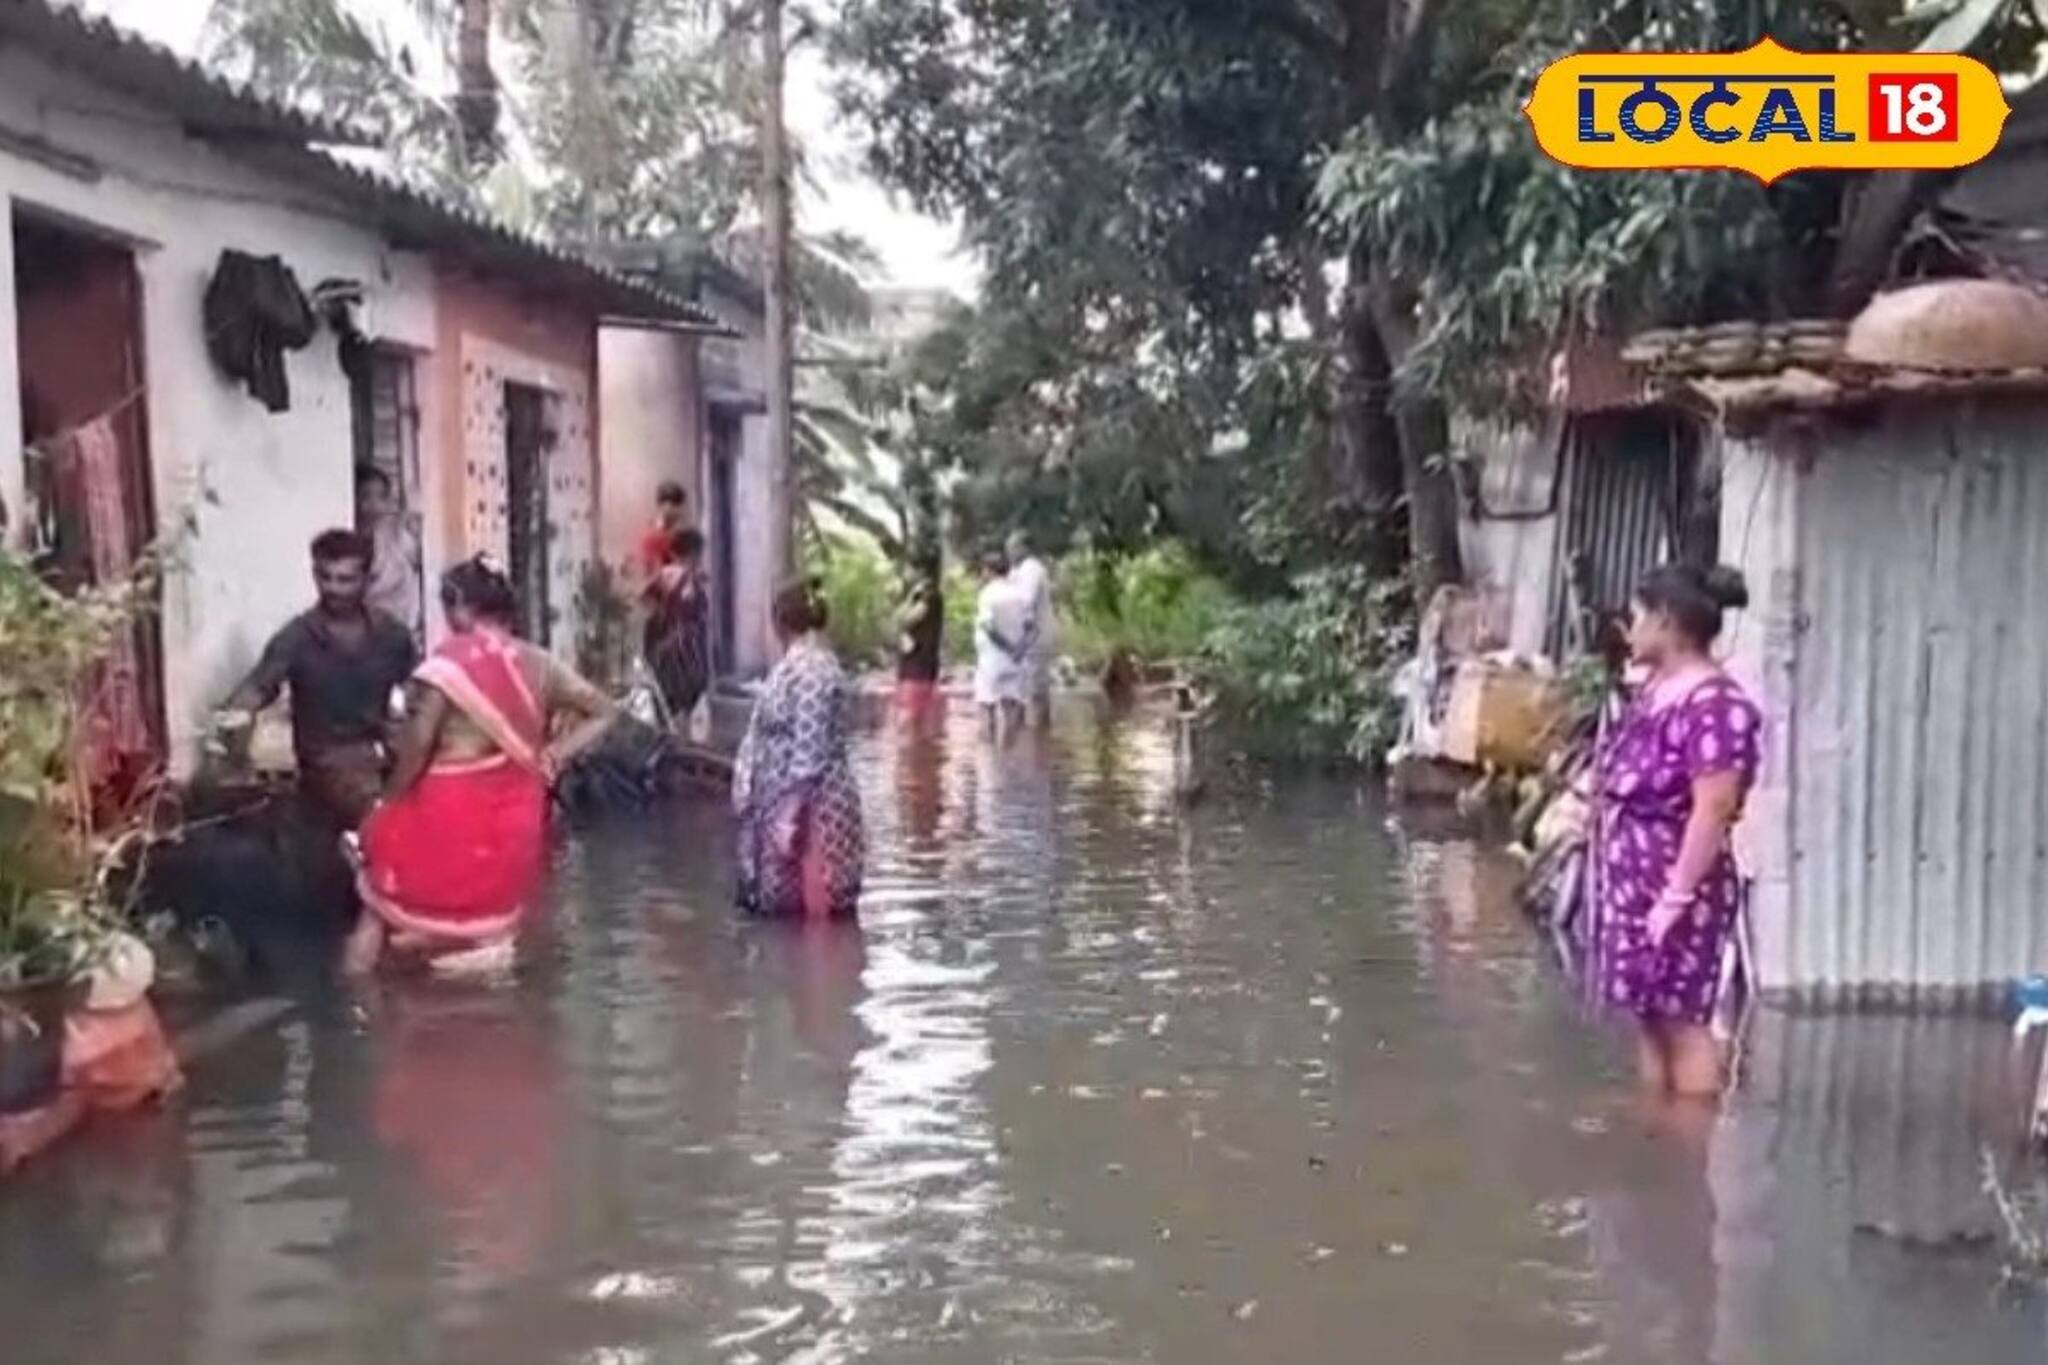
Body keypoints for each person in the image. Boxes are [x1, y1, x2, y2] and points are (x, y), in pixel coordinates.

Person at [346, 556, 614, 973]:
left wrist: (387, 803)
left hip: (447, 811)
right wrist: (555, 755)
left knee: (376, 906)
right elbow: (605, 711)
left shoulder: (450, 662)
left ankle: (357, 1018)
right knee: (498, 923)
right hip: (513, 818)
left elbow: (418, 743)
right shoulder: (540, 663)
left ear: (458, 607)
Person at [1596, 563, 1762, 1098]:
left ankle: (1687, 1157)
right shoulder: (1659, 690)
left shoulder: (1716, 704)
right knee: (1647, 1014)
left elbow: (1713, 806)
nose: (1629, 626)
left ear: (1667, 621)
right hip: (1633, 878)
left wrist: (1676, 898)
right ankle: (1654, 1145)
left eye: (1638, 615)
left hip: (1678, 881)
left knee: (1682, 1022)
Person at [216, 529, 418, 828]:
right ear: (315, 574)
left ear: (367, 579)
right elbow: (254, 691)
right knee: (383, 820)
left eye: (346, 579)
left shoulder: (392, 635)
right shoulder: (296, 638)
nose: (334, 589)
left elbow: (419, 693)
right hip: (327, 761)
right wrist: (233, 737)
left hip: (384, 755)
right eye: (326, 577)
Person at [732, 580, 865, 920]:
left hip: (809, 814)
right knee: (790, 915)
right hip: (788, 806)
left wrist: (788, 816)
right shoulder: (798, 665)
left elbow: (809, 745)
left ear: (778, 621)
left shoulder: (811, 669)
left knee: (813, 910)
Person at [643, 526, 712, 726]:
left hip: (663, 658)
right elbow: (697, 620)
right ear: (694, 553)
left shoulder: (661, 579)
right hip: (688, 659)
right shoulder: (693, 581)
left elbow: (648, 611)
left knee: (665, 712)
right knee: (689, 716)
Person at [355, 465, 422, 640]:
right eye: (364, 496)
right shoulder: (348, 534)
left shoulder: (398, 532)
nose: (373, 505)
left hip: (401, 628)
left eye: (381, 497)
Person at [973, 550, 1028, 739]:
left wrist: (1008, 647)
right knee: (1012, 706)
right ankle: (1010, 756)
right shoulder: (1020, 595)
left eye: (983, 570)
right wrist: (1019, 649)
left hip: (992, 660)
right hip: (1016, 661)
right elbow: (1031, 627)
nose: (981, 575)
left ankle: (989, 759)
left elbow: (988, 627)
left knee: (986, 708)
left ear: (989, 571)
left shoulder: (988, 594)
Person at [1006, 530, 1055, 726]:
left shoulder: (1031, 569)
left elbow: (1025, 603)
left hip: (1035, 638)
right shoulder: (1016, 571)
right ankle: (1031, 738)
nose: (1009, 552)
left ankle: (1040, 738)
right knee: (1023, 690)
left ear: (1025, 548)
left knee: (1036, 691)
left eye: (1012, 547)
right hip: (1023, 641)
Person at [895, 556, 945, 715]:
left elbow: (905, 619)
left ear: (919, 571)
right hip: (923, 662)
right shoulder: (930, 595)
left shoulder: (927, 596)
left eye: (908, 568)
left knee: (911, 715)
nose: (905, 573)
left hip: (918, 664)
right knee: (918, 714)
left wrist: (910, 598)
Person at [636, 481, 694, 583]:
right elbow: (647, 568)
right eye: (667, 504)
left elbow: (691, 566)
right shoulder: (651, 534)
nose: (671, 509)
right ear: (660, 506)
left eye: (676, 505)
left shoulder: (686, 534)